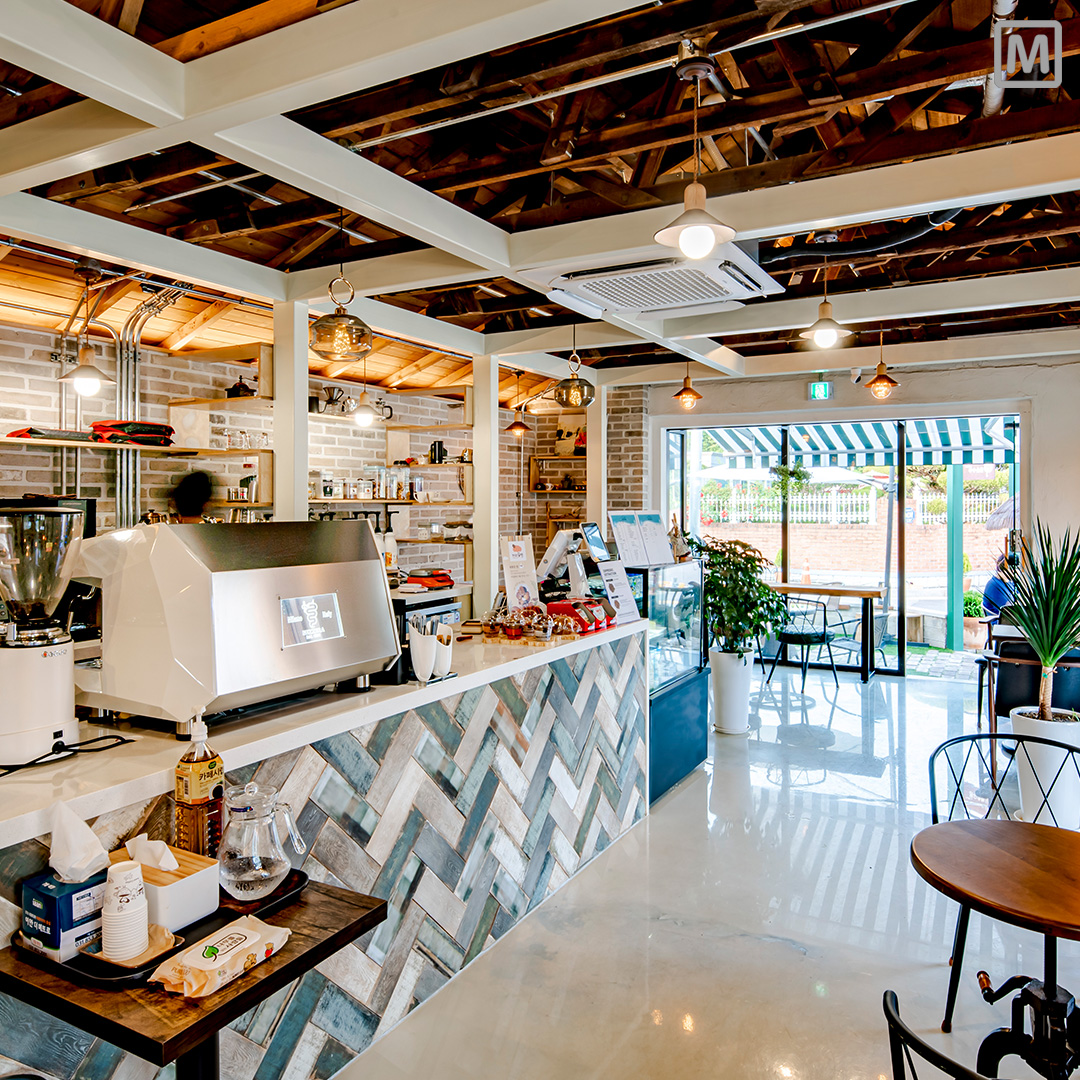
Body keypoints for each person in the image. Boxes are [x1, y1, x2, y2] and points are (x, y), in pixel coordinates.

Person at [982, 553, 1014, 619]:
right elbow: (1007, 609)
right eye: (1012, 568)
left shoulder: (1008, 582)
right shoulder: (994, 585)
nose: (1014, 571)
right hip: (1001, 621)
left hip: (1009, 620)